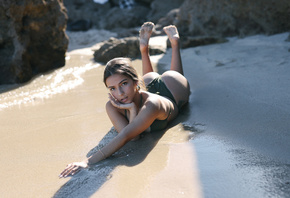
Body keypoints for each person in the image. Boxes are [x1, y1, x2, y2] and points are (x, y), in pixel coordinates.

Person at [59, 22, 190, 178]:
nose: (119, 93)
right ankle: (144, 49)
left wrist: (87, 161)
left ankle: (175, 43)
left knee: (176, 78)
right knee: (142, 86)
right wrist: (132, 109)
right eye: (112, 88)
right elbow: (134, 136)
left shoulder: (152, 105)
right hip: (145, 85)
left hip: (172, 90)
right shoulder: (112, 105)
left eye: (123, 84)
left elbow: (126, 135)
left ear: (135, 82)